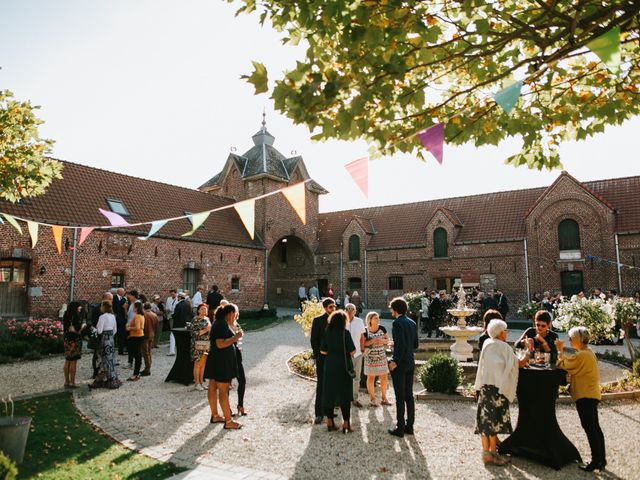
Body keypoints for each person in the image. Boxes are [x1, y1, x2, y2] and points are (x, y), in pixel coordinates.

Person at [474, 319, 528, 466]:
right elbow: (519, 364)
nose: (507, 332)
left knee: (485, 421)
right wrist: (529, 351)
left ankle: (486, 453)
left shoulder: (487, 343)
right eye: (506, 330)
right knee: (494, 421)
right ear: (500, 332)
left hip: (485, 387)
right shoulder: (504, 348)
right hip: (497, 389)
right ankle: (493, 455)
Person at [556, 327, 606, 472]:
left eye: (571, 338)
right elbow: (571, 363)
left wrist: (560, 350)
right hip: (591, 394)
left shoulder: (582, 355)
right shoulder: (588, 352)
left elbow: (563, 364)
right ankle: (600, 460)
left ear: (577, 340)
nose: (569, 341)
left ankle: (596, 461)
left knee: (591, 429)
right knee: (595, 428)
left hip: (586, 396)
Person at [204, 304, 244, 430]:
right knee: (222, 389)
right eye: (234, 314)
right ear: (230, 313)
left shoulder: (217, 322)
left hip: (216, 359)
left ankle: (215, 415)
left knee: (213, 386)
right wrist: (235, 337)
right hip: (221, 361)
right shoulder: (221, 324)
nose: (234, 316)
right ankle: (228, 421)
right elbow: (220, 343)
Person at [320, 309, 356, 433]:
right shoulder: (345, 333)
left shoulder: (327, 332)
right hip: (343, 366)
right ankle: (346, 423)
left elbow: (323, 351)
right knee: (345, 395)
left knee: (329, 393)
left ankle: (330, 422)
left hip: (330, 366)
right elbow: (353, 351)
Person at [388, 297, 418, 437]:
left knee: (399, 396)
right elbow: (415, 345)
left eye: (391, 309)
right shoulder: (412, 322)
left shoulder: (397, 323)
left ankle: (400, 427)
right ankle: (409, 426)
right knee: (409, 395)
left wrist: (394, 361)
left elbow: (400, 346)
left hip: (400, 364)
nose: (391, 311)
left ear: (395, 310)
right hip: (410, 362)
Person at [310, 298, 336, 424]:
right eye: (331, 307)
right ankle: (319, 413)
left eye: (334, 306)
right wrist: (317, 355)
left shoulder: (336, 320)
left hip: (334, 358)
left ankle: (328, 411)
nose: (333, 309)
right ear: (325, 308)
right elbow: (314, 340)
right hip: (322, 357)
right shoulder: (318, 320)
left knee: (331, 384)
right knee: (321, 385)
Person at [90, 301, 122, 389]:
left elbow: (99, 331)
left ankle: (102, 380)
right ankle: (112, 377)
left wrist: (93, 329)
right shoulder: (112, 316)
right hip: (111, 339)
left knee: (103, 360)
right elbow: (115, 330)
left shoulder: (102, 317)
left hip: (104, 340)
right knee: (110, 359)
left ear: (103, 307)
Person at [363, 312, 391, 406]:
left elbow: (388, 341)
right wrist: (373, 340)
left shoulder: (382, 328)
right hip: (370, 358)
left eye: (378, 318)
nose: (377, 319)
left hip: (381, 357)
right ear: (370, 319)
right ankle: (372, 398)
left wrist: (382, 341)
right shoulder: (365, 330)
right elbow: (363, 344)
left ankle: (384, 398)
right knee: (371, 377)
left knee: (384, 377)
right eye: (375, 318)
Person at [345, 303, 366, 408]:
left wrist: (362, 350)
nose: (349, 311)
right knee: (344, 377)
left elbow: (362, 336)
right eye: (347, 309)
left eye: (351, 309)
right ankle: (343, 399)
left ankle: (355, 398)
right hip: (345, 355)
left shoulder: (359, 321)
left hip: (357, 354)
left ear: (355, 311)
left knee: (357, 378)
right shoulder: (342, 322)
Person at [63, 301, 85, 388]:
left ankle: (66, 382)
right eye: (79, 307)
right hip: (75, 340)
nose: (80, 309)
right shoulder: (76, 317)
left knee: (67, 359)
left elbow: (67, 328)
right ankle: (72, 382)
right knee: (73, 361)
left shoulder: (66, 314)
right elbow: (77, 331)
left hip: (67, 339)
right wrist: (83, 326)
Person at [231, 304, 248, 416]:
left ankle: (240, 405)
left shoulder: (237, 325)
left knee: (242, 381)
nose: (235, 314)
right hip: (228, 358)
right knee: (227, 384)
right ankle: (227, 409)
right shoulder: (225, 325)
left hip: (237, 357)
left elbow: (239, 341)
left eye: (236, 312)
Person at [190, 303, 211, 391]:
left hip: (206, 344)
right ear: (198, 310)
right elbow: (193, 333)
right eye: (202, 309)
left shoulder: (207, 319)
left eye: (205, 309)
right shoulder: (195, 319)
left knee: (203, 364)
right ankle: (197, 383)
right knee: (197, 364)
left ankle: (201, 382)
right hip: (198, 344)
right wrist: (205, 330)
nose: (204, 310)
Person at [125, 302, 145, 381]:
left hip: (136, 337)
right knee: (138, 355)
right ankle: (137, 373)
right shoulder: (141, 316)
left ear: (136, 308)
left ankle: (136, 374)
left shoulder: (137, 316)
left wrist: (128, 328)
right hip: (139, 336)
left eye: (133, 307)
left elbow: (137, 327)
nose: (132, 308)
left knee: (137, 355)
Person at [141, 303, 159, 377]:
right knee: (149, 351)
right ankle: (149, 365)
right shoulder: (154, 315)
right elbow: (156, 326)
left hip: (145, 335)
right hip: (152, 335)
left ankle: (147, 368)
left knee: (145, 353)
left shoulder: (143, 315)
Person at [113, 288, 128, 355]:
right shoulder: (115, 298)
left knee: (121, 335)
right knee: (117, 334)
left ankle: (121, 349)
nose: (124, 292)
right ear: (119, 292)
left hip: (121, 319)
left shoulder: (124, 299)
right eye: (123, 291)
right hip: (118, 319)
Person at [166, 289, 178, 356]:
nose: (172, 295)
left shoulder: (178, 299)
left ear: (175, 293)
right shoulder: (169, 299)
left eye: (173, 294)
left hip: (176, 316)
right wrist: (168, 309)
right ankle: (172, 342)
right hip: (170, 316)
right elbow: (167, 306)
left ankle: (174, 343)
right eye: (171, 294)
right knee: (172, 330)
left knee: (175, 330)